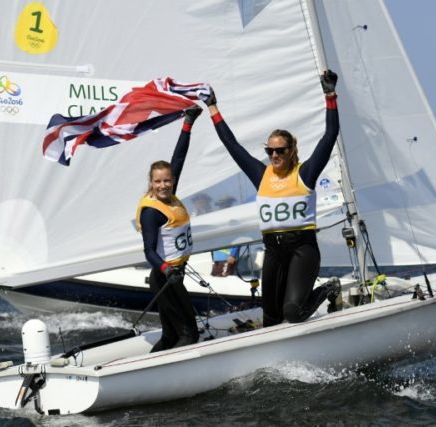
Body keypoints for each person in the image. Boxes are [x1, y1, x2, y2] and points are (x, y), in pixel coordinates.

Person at [203, 70, 340, 327]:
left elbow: (330, 136)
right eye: (270, 150)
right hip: (273, 250)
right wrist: (212, 107)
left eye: (280, 150)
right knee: (270, 320)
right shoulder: (260, 174)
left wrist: (330, 95)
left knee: (293, 312)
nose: (274, 155)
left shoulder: (305, 173)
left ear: (291, 151)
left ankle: (329, 288)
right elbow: (232, 144)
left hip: (302, 248)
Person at [135, 105, 202, 352]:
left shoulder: (170, 195)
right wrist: (166, 269)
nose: (163, 185)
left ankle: (153, 366)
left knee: (171, 334)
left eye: (167, 180)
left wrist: (188, 124)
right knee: (188, 333)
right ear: (151, 183)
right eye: (158, 181)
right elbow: (149, 252)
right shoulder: (152, 211)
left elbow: (179, 158)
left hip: (175, 274)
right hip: (165, 278)